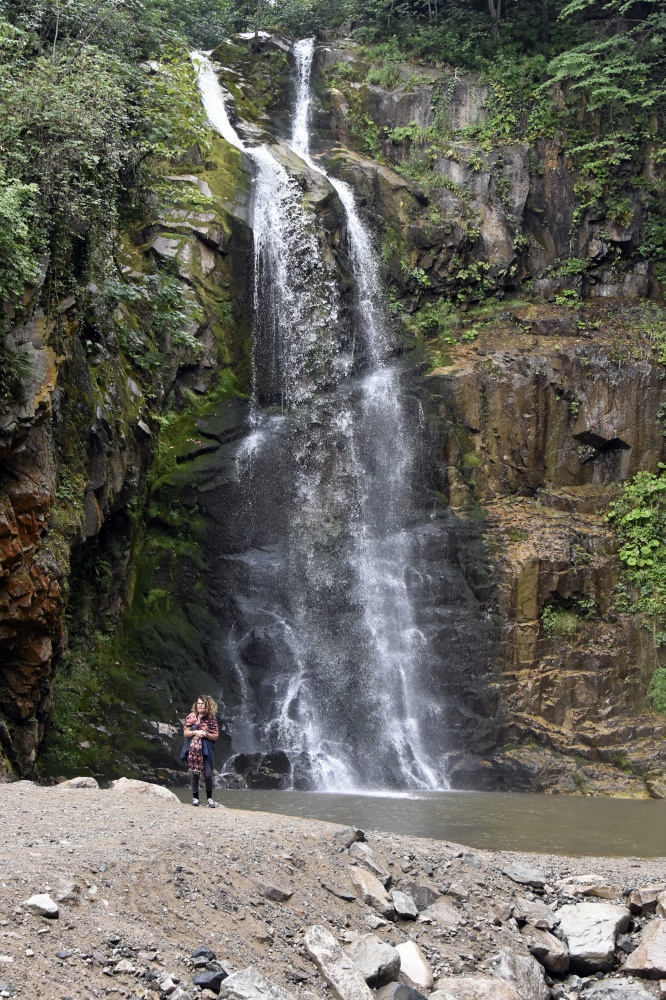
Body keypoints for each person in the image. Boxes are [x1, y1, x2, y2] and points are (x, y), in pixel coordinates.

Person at [183, 694, 219, 808]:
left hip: (206, 749)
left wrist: (205, 734)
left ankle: (209, 798)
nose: (199, 705)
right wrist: (196, 732)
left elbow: (215, 736)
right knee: (195, 773)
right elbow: (185, 733)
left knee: (208, 774)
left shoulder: (211, 719)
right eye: (198, 703)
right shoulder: (191, 716)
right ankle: (195, 798)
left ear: (207, 705)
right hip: (193, 749)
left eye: (202, 703)